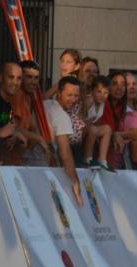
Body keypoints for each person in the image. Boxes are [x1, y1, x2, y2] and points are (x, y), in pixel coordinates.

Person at [43, 76, 83, 207]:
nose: (73, 99)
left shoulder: (45, 103)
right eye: (69, 95)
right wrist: (75, 181)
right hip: (40, 162)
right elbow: (65, 154)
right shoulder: (62, 117)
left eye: (76, 96)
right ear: (59, 93)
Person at [83, 75, 115, 172]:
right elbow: (79, 117)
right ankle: (87, 159)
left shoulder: (102, 104)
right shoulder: (89, 100)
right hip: (80, 129)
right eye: (99, 92)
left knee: (107, 129)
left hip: (89, 129)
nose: (102, 95)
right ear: (92, 91)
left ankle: (102, 160)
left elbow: (97, 122)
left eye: (106, 93)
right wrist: (89, 125)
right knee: (93, 129)